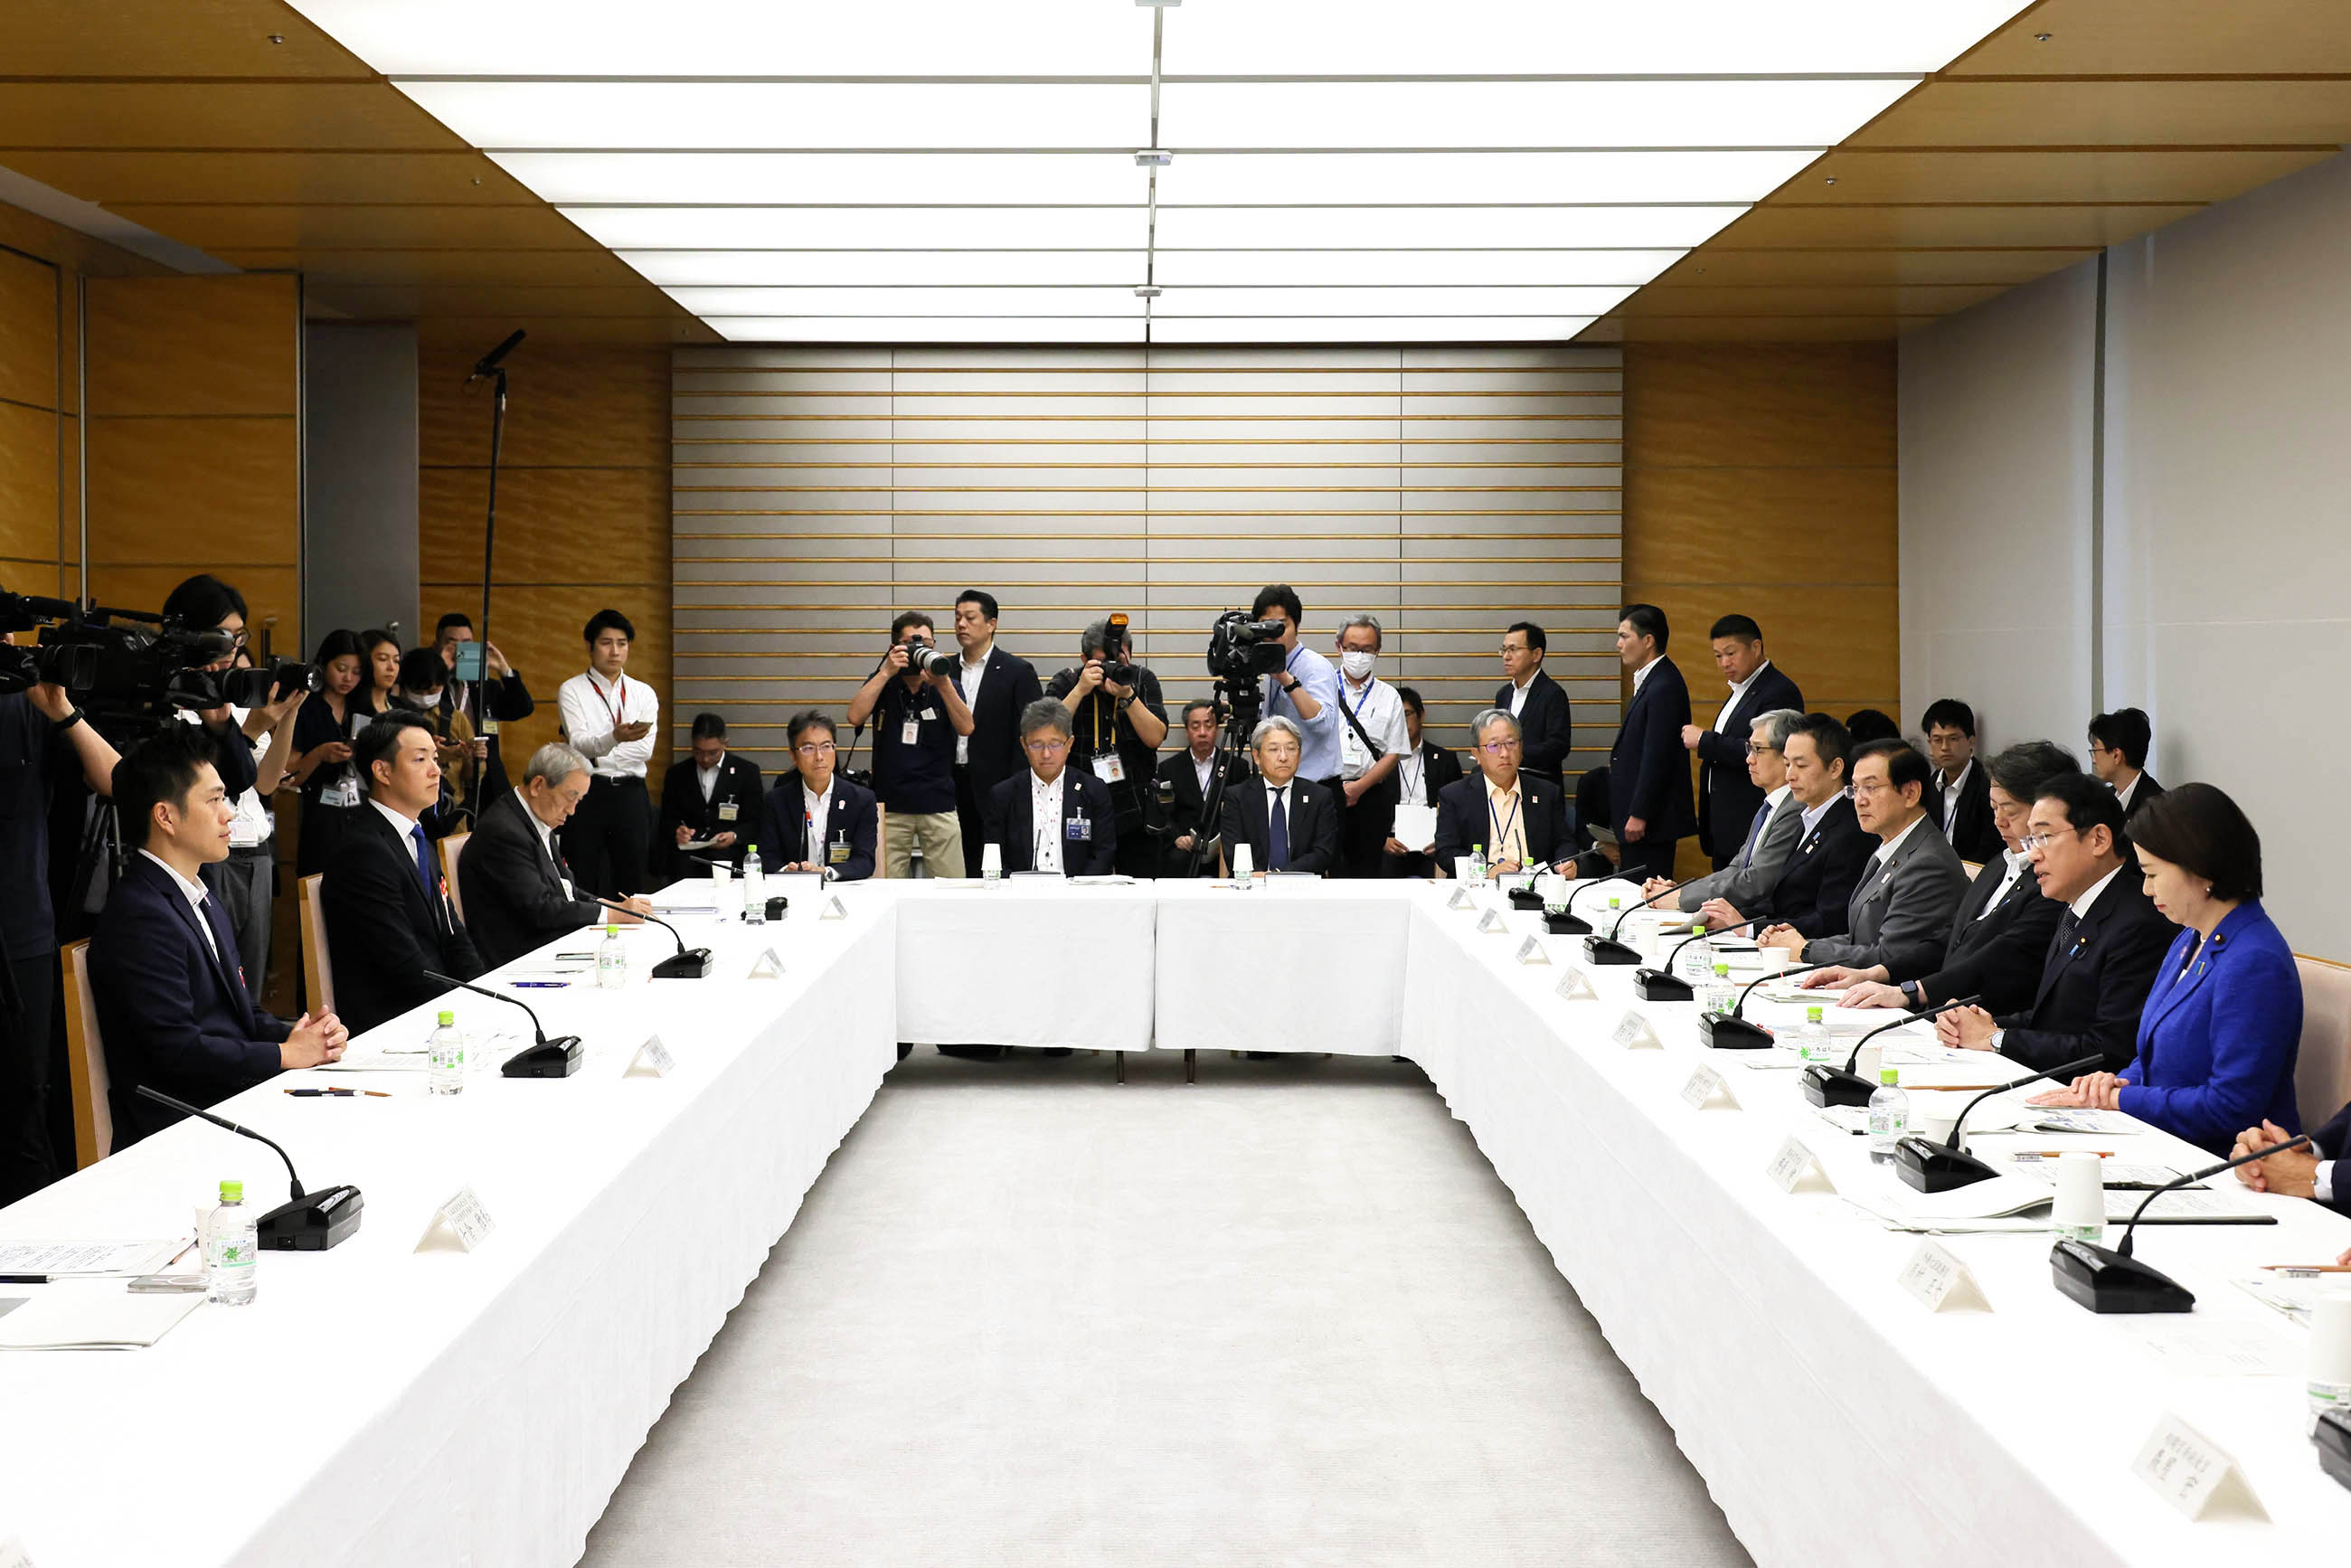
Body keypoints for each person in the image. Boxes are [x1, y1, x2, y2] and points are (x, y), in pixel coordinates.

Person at [90, 725, 347, 1146]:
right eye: (213, 800)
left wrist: (299, 1034)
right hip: (180, 1126)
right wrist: (285, 1054)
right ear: (165, 816)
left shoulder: (200, 893)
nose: (229, 813)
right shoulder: (140, 913)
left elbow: (239, 1014)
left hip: (226, 1100)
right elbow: (179, 1050)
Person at [2028, 783, 2302, 1155]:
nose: (2145, 889)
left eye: (2153, 874)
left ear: (2201, 868)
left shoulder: (2255, 961)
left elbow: (2231, 1108)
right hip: (2162, 1141)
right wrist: (2114, 1086)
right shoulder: (2189, 939)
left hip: (2224, 1163)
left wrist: (2121, 1101)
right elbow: (2154, 1061)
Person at [1928, 772, 2178, 1074]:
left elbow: (2109, 1050)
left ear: (2098, 839)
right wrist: (1979, 1024)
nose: (2033, 854)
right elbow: (2051, 1021)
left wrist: (1995, 1039)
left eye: (2044, 837)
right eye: (2031, 840)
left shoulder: (2138, 924)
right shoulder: (2074, 910)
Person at [1819, 740, 2076, 1015]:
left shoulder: (2052, 884)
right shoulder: (1999, 865)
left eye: (2009, 810)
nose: (1998, 821)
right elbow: (1949, 939)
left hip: (1986, 1020)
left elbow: (2001, 957)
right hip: (1944, 1011)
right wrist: (1877, 974)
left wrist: (1910, 992)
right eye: (1994, 808)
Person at [0, 682, 120, 1205]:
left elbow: (118, 780)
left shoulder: (27, 700)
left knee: (23, 1098)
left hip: (21, 925)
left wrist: (63, 710)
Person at [161, 574, 304, 1002]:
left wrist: (287, 713)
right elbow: (211, 780)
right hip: (203, 856)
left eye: (237, 639)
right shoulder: (171, 696)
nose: (232, 651)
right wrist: (251, 726)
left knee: (249, 986)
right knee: (212, 985)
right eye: (222, 638)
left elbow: (261, 784)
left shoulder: (231, 695)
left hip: (254, 849)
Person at [321, 715, 484, 1036]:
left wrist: (485, 993)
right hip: (392, 1022)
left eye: (435, 759)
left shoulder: (415, 835)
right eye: (420, 759)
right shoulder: (363, 850)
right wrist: (465, 1013)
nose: (436, 771)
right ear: (382, 771)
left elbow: (453, 935)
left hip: (433, 1010)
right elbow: (403, 964)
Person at [1760, 740, 1967, 973]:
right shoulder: (1890, 847)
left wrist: (1806, 950)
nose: (1860, 800)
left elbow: (1890, 957)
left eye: (1871, 788)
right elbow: (1859, 939)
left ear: (1911, 793)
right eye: (1855, 789)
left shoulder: (1928, 863)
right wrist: (1794, 943)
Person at [460, 742, 649, 968]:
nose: (572, 811)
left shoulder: (536, 818)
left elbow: (566, 889)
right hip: (520, 957)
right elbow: (541, 909)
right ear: (538, 785)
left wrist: (615, 907)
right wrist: (612, 915)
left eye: (578, 801)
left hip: (547, 940)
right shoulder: (503, 831)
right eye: (570, 797)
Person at [1695, 713, 1872, 940]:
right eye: (1787, 764)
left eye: (1800, 765)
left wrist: (1748, 928)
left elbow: (1831, 921)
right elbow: (1776, 900)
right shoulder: (1808, 817)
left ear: (1836, 768)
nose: (1789, 775)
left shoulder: (1850, 830)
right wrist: (1727, 918)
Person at [847, 610, 973, 879]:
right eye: (911, 644)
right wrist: (885, 672)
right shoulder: (883, 680)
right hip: (891, 804)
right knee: (886, 885)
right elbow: (854, 716)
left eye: (927, 645)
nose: (920, 651)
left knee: (952, 886)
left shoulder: (946, 683)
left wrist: (943, 684)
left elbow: (967, 727)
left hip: (938, 801)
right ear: (895, 647)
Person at [1043, 617, 1167, 878]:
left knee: (1139, 887)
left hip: (1134, 807)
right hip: (1079, 806)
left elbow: (1156, 737)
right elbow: (1047, 735)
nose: (1112, 668)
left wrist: (1127, 696)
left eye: (1119, 662)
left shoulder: (1143, 679)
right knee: (1081, 886)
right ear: (1083, 659)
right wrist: (1080, 690)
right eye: (1103, 662)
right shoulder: (1068, 681)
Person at [1683, 615, 1803, 870]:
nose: (1724, 663)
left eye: (1731, 653)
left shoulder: (1778, 690)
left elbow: (1767, 751)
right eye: (1717, 656)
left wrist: (1705, 740)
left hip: (1750, 816)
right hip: (1724, 824)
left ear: (1756, 647)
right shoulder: (1740, 690)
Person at [1660, 708, 1806, 914]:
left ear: (1786, 755)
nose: (1749, 759)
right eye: (1749, 748)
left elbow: (1756, 881)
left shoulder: (1795, 809)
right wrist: (1681, 891)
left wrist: (1681, 898)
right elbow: (1736, 869)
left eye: (1758, 749)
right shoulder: (1769, 806)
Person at [557, 609, 659, 899]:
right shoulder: (572, 690)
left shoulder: (643, 693)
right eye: (606, 643)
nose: (615, 651)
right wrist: (615, 737)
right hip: (587, 794)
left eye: (622, 643)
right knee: (584, 876)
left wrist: (600, 750)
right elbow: (578, 743)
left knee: (633, 878)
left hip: (631, 793)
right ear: (589, 647)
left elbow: (645, 750)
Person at [949, 590, 1043, 875]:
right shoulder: (945, 669)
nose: (961, 625)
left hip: (998, 785)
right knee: (956, 867)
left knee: (996, 866)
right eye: (957, 618)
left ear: (991, 624)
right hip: (951, 784)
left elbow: (1030, 734)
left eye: (969, 618)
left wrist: (1016, 785)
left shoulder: (1017, 671)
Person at [1600, 603, 1695, 880]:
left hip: (1650, 822)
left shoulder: (1664, 685)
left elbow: (1658, 756)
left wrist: (1639, 813)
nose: (1618, 644)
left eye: (1624, 636)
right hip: (1641, 819)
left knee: (1644, 898)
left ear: (1648, 640)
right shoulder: (1651, 679)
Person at [1432, 710, 1574, 876]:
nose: (1505, 753)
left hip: (1535, 889)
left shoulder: (1546, 793)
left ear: (1521, 748)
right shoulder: (1454, 796)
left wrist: (1566, 863)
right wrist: (1487, 870)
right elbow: (1445, 852)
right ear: (1476, 754)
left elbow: (1564, 842)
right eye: (1493, 746)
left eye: (1511, 743)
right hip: (1481, 887)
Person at [984, 700, 1116, 876]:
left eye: (1055, 745)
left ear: (1069, 744)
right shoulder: (1004, 795)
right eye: (1037, 745)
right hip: (1021, 894)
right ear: (1024, 745)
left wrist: (1078, 892)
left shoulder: (1093, 790)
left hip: (1078, 894)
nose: (1046, 754)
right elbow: (995, 860)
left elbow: (1103, 854)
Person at [1330, 613, 1411, 878]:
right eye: (1352, 648)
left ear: (1377, 651)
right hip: (1326, 791)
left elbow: (1394, 752)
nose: (1359, 655)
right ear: (1339, 646)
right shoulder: (1322, 687)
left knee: (1366, 874)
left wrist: (1358, 788)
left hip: (1371, 796)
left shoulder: (1389, 696)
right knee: (1327, 868)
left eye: (1367, 650)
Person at [756, 711, 879, 882]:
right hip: (792, 890)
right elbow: (766, 857)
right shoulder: (776, 801)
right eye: (808, 748)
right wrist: (785, 871)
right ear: (793, 756)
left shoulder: (861, 799)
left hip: (841, 890)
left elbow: (864, 861)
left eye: (826, 746)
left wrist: (825, 872)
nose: (819, 757)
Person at [288, 629, 371, 879]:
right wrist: (320, 754)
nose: (348, 678)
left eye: (356, 672)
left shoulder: (363, 706)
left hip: (362, 812)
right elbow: (290, 776)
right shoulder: (305, 707)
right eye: (341, 668)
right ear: (324, 664)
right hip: (320, 815)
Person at [432, 612, 535, 808]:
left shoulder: (483, 685)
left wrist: (504, 669)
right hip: (447, 775)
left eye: (466, 643)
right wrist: (439, 670)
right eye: (452, 643)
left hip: (488, 778)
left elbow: (522, 708)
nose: (458, 651)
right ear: (437, 644)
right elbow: (422, 704)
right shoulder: (431, 684)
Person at [1220, 714, 1338, 876]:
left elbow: (1323, 852)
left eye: (1291, 749)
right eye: (1274, 749)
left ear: (1299, 753)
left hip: (1302, 885)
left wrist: (1279, 875)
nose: (1283, 757)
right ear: (1256, 756)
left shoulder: (1319, 797)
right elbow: (1233, 850)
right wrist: (1257, 875)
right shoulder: (1237, 797)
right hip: (1253, 886)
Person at [1252, 584, 1343, 793]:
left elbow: (1323, 724)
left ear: (1297, 625)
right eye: (1266, 625)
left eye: (1282, 625)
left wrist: (1287, 680)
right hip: (1280, 786)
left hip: (1316, 787)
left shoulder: (1315, 666)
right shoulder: (1268, 667)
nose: (1274, 634)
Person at [656, 713, 761, 877]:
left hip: (729, 855)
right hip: (687, 858)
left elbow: (755, 820)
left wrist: (735, 836)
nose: (705, 759)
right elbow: (667, 819)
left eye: (713, 753)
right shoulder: (676, 774)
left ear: (725, 744)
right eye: (698, 752)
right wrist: (678, 831)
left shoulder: (747, 772)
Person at [1382, 685, 1464, 879]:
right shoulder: (1378, 761)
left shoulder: (1445, 760)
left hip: (1433, 846)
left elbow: (1460, 808)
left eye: (1407, 714)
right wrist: (1381, 841)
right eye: (1395, 716)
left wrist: (1444, 842)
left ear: (1421, 715)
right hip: (1391, 845)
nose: (1401, 722)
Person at [392, 646, 473, 833]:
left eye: (433, 691)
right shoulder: (395, 718)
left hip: (451, 817)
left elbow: (471, 778)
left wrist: (468, 756)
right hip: (407, 814)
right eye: (419, 692)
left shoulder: (457, 719)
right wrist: (437, 754)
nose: (426, 698)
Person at [1155, 699, 1229, 877]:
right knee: (1175, 861)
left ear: (1217, 729)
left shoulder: (1234, 765)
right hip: (1185, 846)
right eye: (1195, 726)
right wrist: (1177, 837)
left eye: (1208, 725)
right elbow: (1163, 811)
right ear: (1187, 730)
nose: (1202, 732)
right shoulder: (1169, 768)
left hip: (1223, 847)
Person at [1922, 698, 2001, 864]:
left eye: (1953, 739)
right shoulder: (1929, 785)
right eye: (1937, 740)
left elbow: (1990, 848)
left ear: (1971, 741)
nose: (1944, 747)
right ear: (1929, 743)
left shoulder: (1987, 785)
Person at [1497, 621, 1573, 789]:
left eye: (1513, 649)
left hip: (1539, 788)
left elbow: (1558, 746)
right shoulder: (1503, 694)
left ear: (1536, 654)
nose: (1506, 656)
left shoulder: (1553, 694)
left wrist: (1515, 752)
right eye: (1504, 650)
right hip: (1505, 786)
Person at [2088, 707, 2165, 822]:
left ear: (2116, 755)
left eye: (2095, 751)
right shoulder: (2103, 799)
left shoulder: (2156, 807)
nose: (2094, 760)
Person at [357, 628, 401, 716]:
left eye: (396, 661)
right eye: (383, 659)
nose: (391, 667)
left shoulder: (403, 708)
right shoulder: (347, 709)